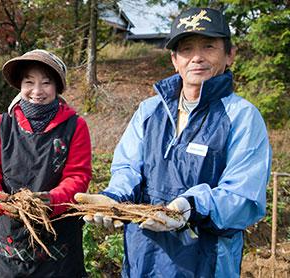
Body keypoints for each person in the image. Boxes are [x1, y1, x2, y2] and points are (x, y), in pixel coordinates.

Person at [74, 7, 271, 277]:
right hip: (143, 255)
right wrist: (114, 199)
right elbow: (128, 168)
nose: (197, 58)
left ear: (230, 55)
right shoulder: (149, 110)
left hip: (205, 261)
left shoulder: (242, 117)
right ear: (174, 59)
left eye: (209, 46)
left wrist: (189, 206)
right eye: (187, 49)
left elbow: (242, 197)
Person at [0, 49, 92, 277]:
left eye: (46, 83)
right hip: (9, 234)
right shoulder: (1, 125)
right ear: (20, 85)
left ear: (57, 87)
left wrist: (50, 201)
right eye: (29, 82)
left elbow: (78, 177)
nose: (37, 91)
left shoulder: (75, 126)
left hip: (58, 237)